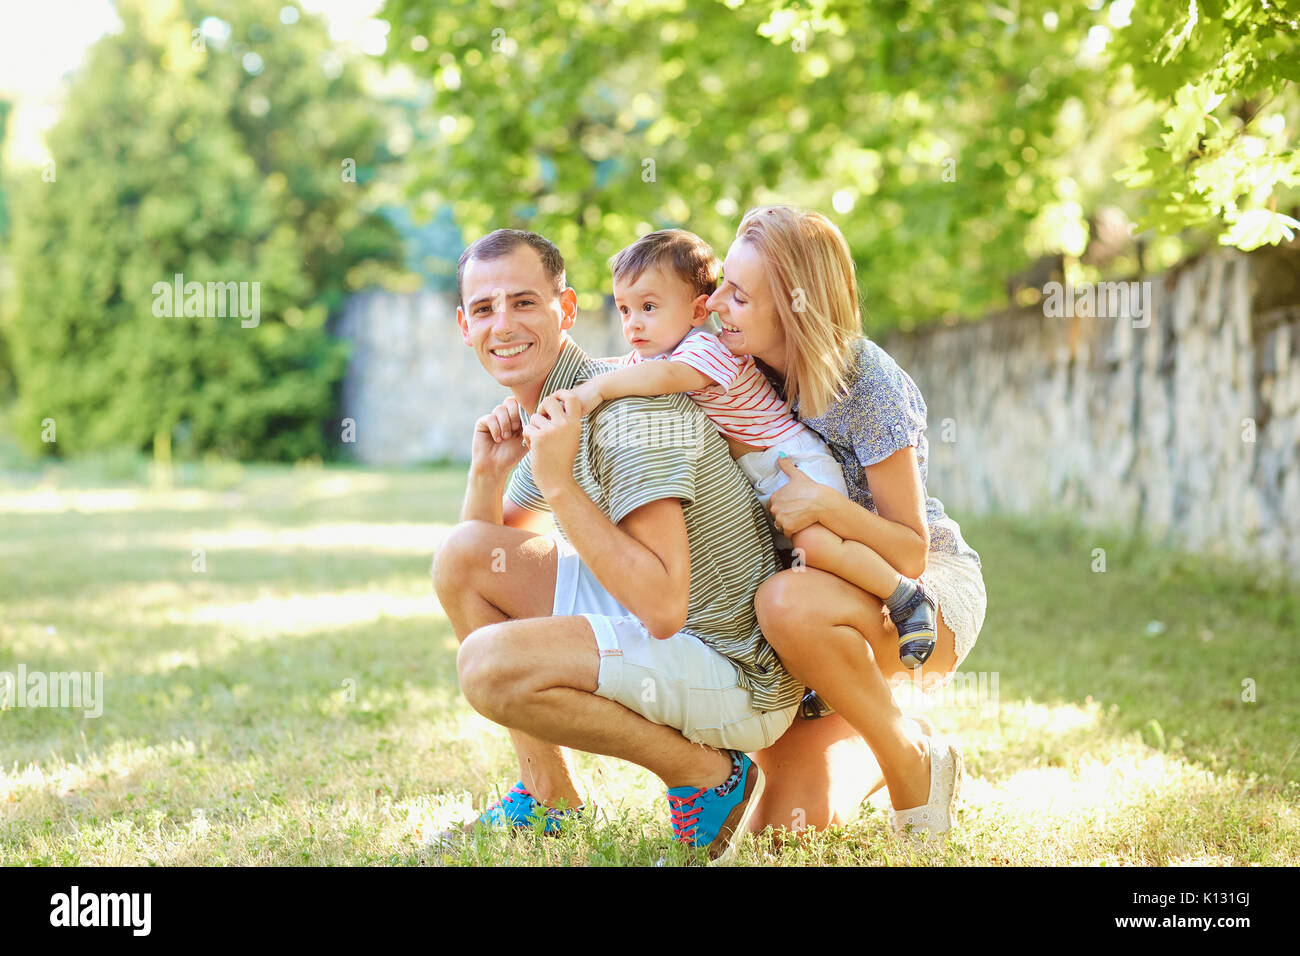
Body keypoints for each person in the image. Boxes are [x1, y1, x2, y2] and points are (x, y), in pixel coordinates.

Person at [431, 228, 802, 863]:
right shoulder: (559, 408)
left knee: (489, 667)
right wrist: (488, 474)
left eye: (524, 302)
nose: (503, 324)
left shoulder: (631, 412)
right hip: (663, 622)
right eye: (485, 309)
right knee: (459, 557)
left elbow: (663, 607)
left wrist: (555, 478)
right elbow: (487, 559)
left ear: (565, 310)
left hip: (731, 663)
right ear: (465, 326)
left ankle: (708, 775)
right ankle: (549, 797)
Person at [702, 206, 988, 838]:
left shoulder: (867, 383)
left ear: (794, 306)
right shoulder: (735, 371)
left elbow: (910, 550)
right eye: (724, 284)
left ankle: (909, 762)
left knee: (786, 600)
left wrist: (826, 506)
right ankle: (892, 733)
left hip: (916, 595)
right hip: (816, 612)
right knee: (779, 833)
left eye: (740, 295)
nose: (717, 304)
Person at [573, 229, 938, 669]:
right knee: (790, 567)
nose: (633, 323)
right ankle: (823, 667)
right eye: (625, 309)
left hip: (795, 463)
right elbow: (622, 371)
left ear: (692, 312)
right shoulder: (661, 357)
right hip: (764, 477)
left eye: (648, 308)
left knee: (816, 550)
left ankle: (905, 597)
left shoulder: (705, 349)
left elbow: (662, 380)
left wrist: (590, 393)